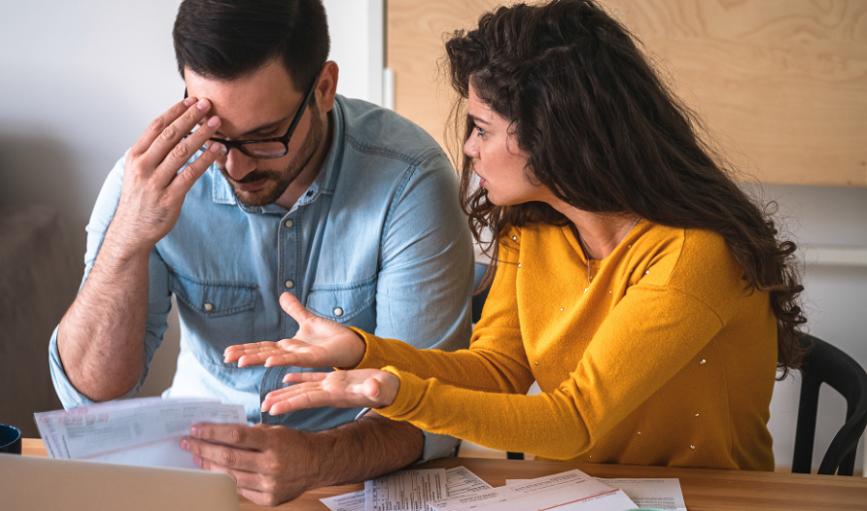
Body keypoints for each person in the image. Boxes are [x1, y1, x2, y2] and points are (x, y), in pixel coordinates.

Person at [225, 0, 807, 471]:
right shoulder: (533, 226)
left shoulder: (691, 255)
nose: (469, 147)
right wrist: (361, 350)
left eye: (481, 128)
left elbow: (572, 421)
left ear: (555, 135)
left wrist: (394, 392)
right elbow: (500, 372)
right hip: (591, 499)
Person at [49, 0, 474, 505]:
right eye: (212, 132)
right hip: (194, 469)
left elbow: (431, 414)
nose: (233, 166)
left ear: (323, 88)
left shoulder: (409, 181)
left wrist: (316, 459)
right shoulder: (149, 179)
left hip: (351, 477)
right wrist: (127, 239)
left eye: (263, 138)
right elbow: (91, 394)